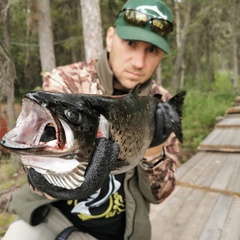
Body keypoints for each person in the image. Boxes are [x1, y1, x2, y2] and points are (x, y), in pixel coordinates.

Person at [3, 0, 180, 239]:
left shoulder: (162, 104)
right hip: (56, 220)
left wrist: (154, 148)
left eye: (152, 50)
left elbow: (160, 194)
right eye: (130, 43)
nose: (139, 62)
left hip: (125, 231)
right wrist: (46, 180)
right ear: (109, 38)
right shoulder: (67, 82)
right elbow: (37, 164)